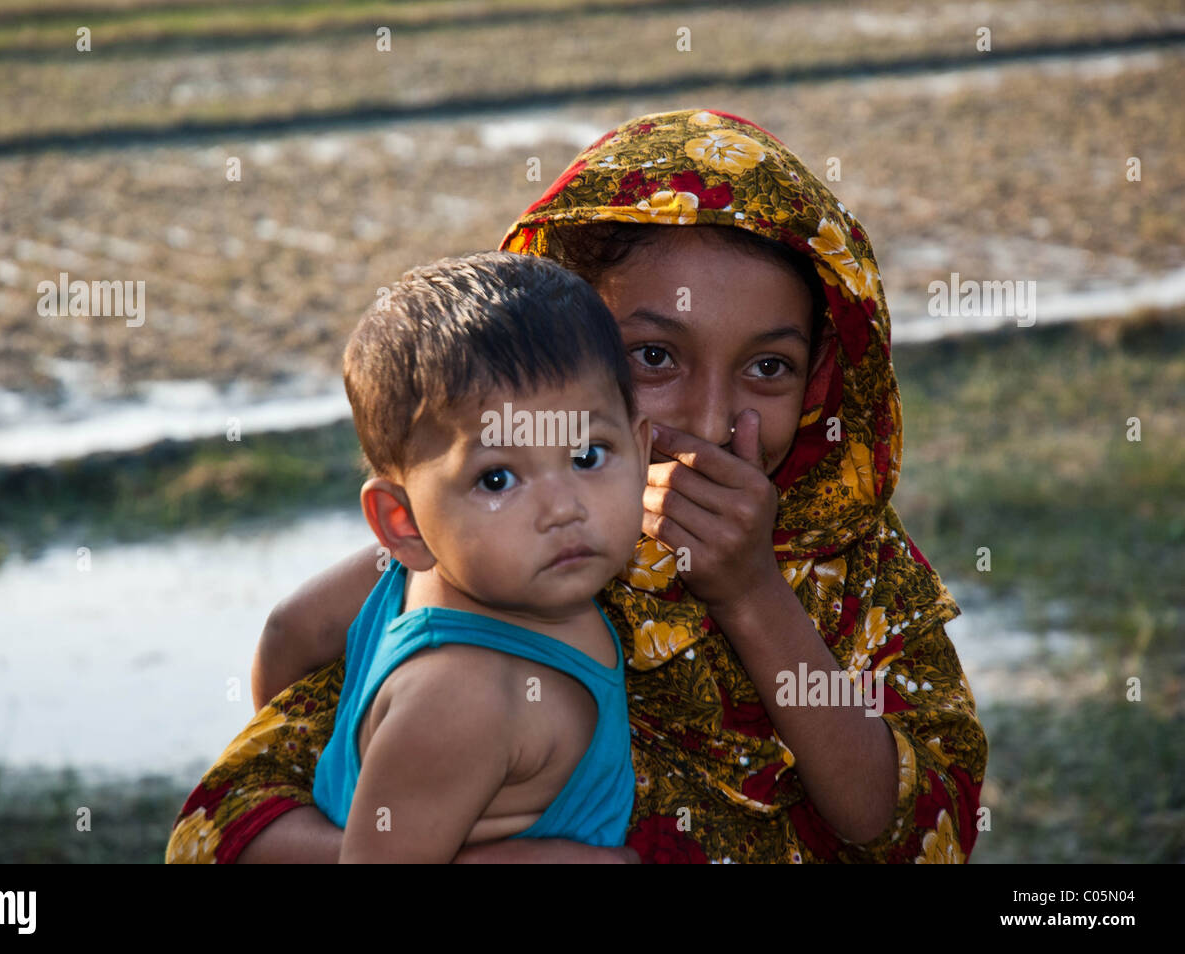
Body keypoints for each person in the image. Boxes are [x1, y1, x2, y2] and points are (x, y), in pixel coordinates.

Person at [166, 107, 987, 864]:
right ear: (567, 358)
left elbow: (912, 835)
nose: (707, 420)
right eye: (655, 357)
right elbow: (233, 820)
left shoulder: (855, 573)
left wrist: (752, 594)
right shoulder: (476, 573)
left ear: (819, 385)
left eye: (767, 368)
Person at [309, 252, 648, 861]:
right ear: (402, 522)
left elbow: (287, 628)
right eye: (497, 480)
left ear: (641, 451)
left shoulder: (402, 583)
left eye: (588, 455)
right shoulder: (465, 699)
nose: (564, 508)